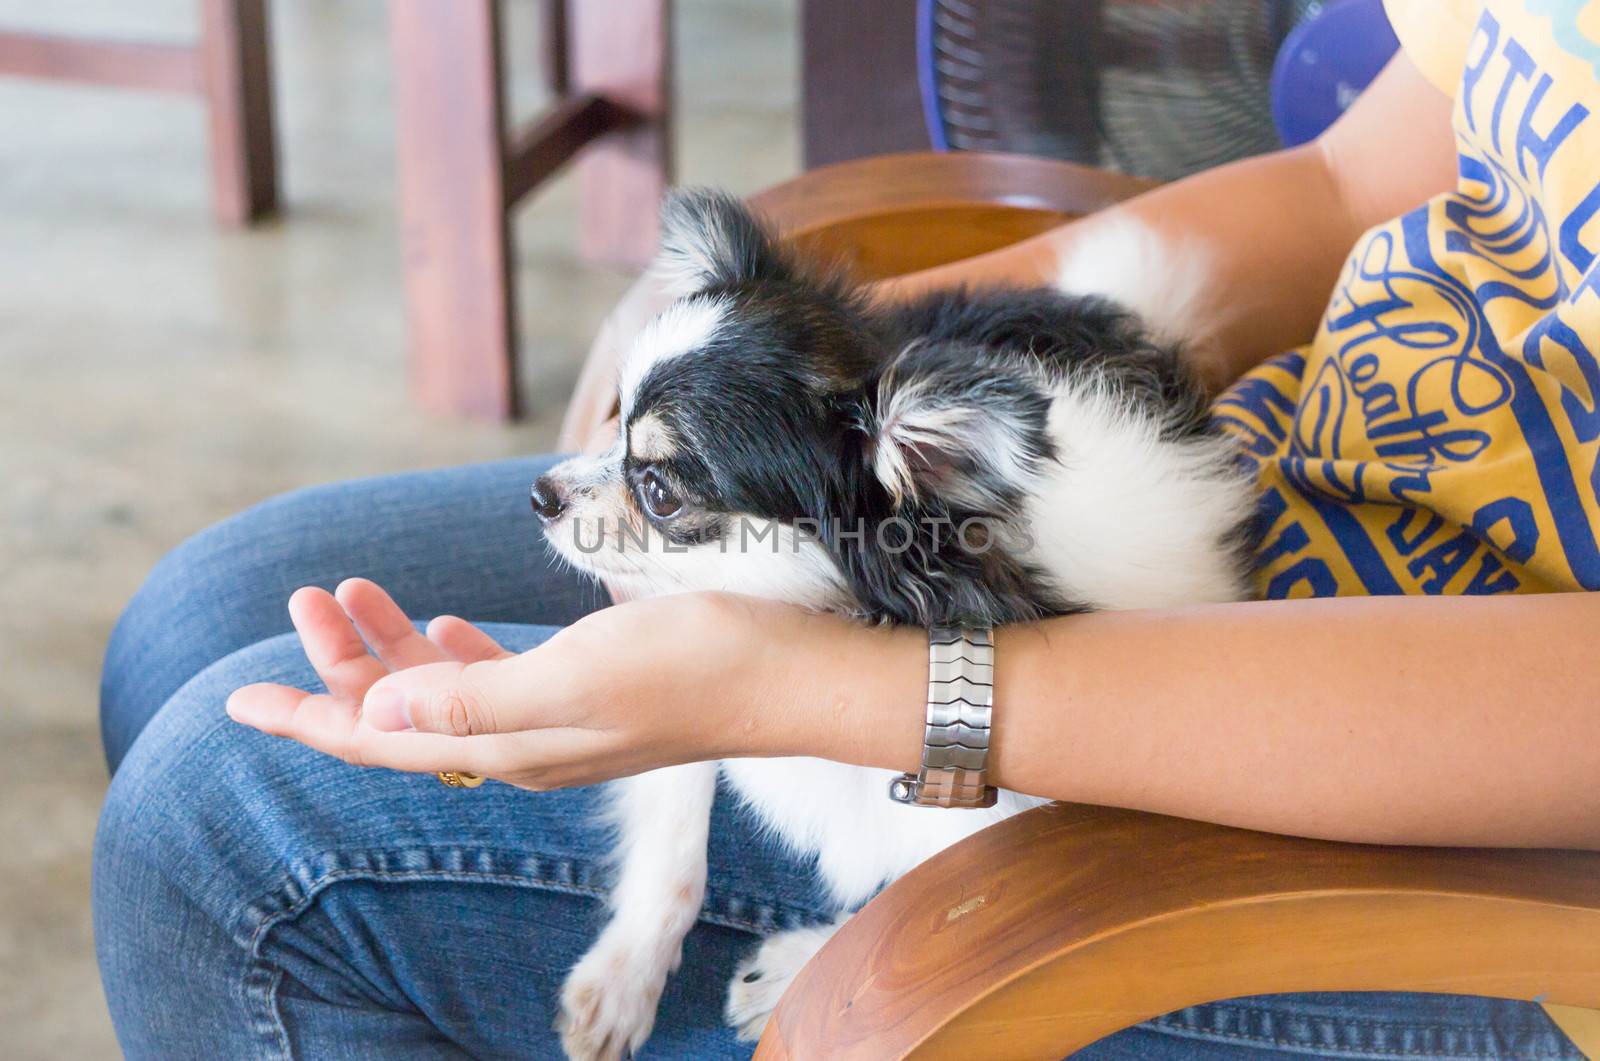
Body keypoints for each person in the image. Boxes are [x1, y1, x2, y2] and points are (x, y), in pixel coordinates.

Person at [95, 1, 1599, 1057]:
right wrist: (806, 372)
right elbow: (1362, 175)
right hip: (1279, 470)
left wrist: (810, 687)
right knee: (208, 607)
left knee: (231, 833)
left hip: (1480, 847)